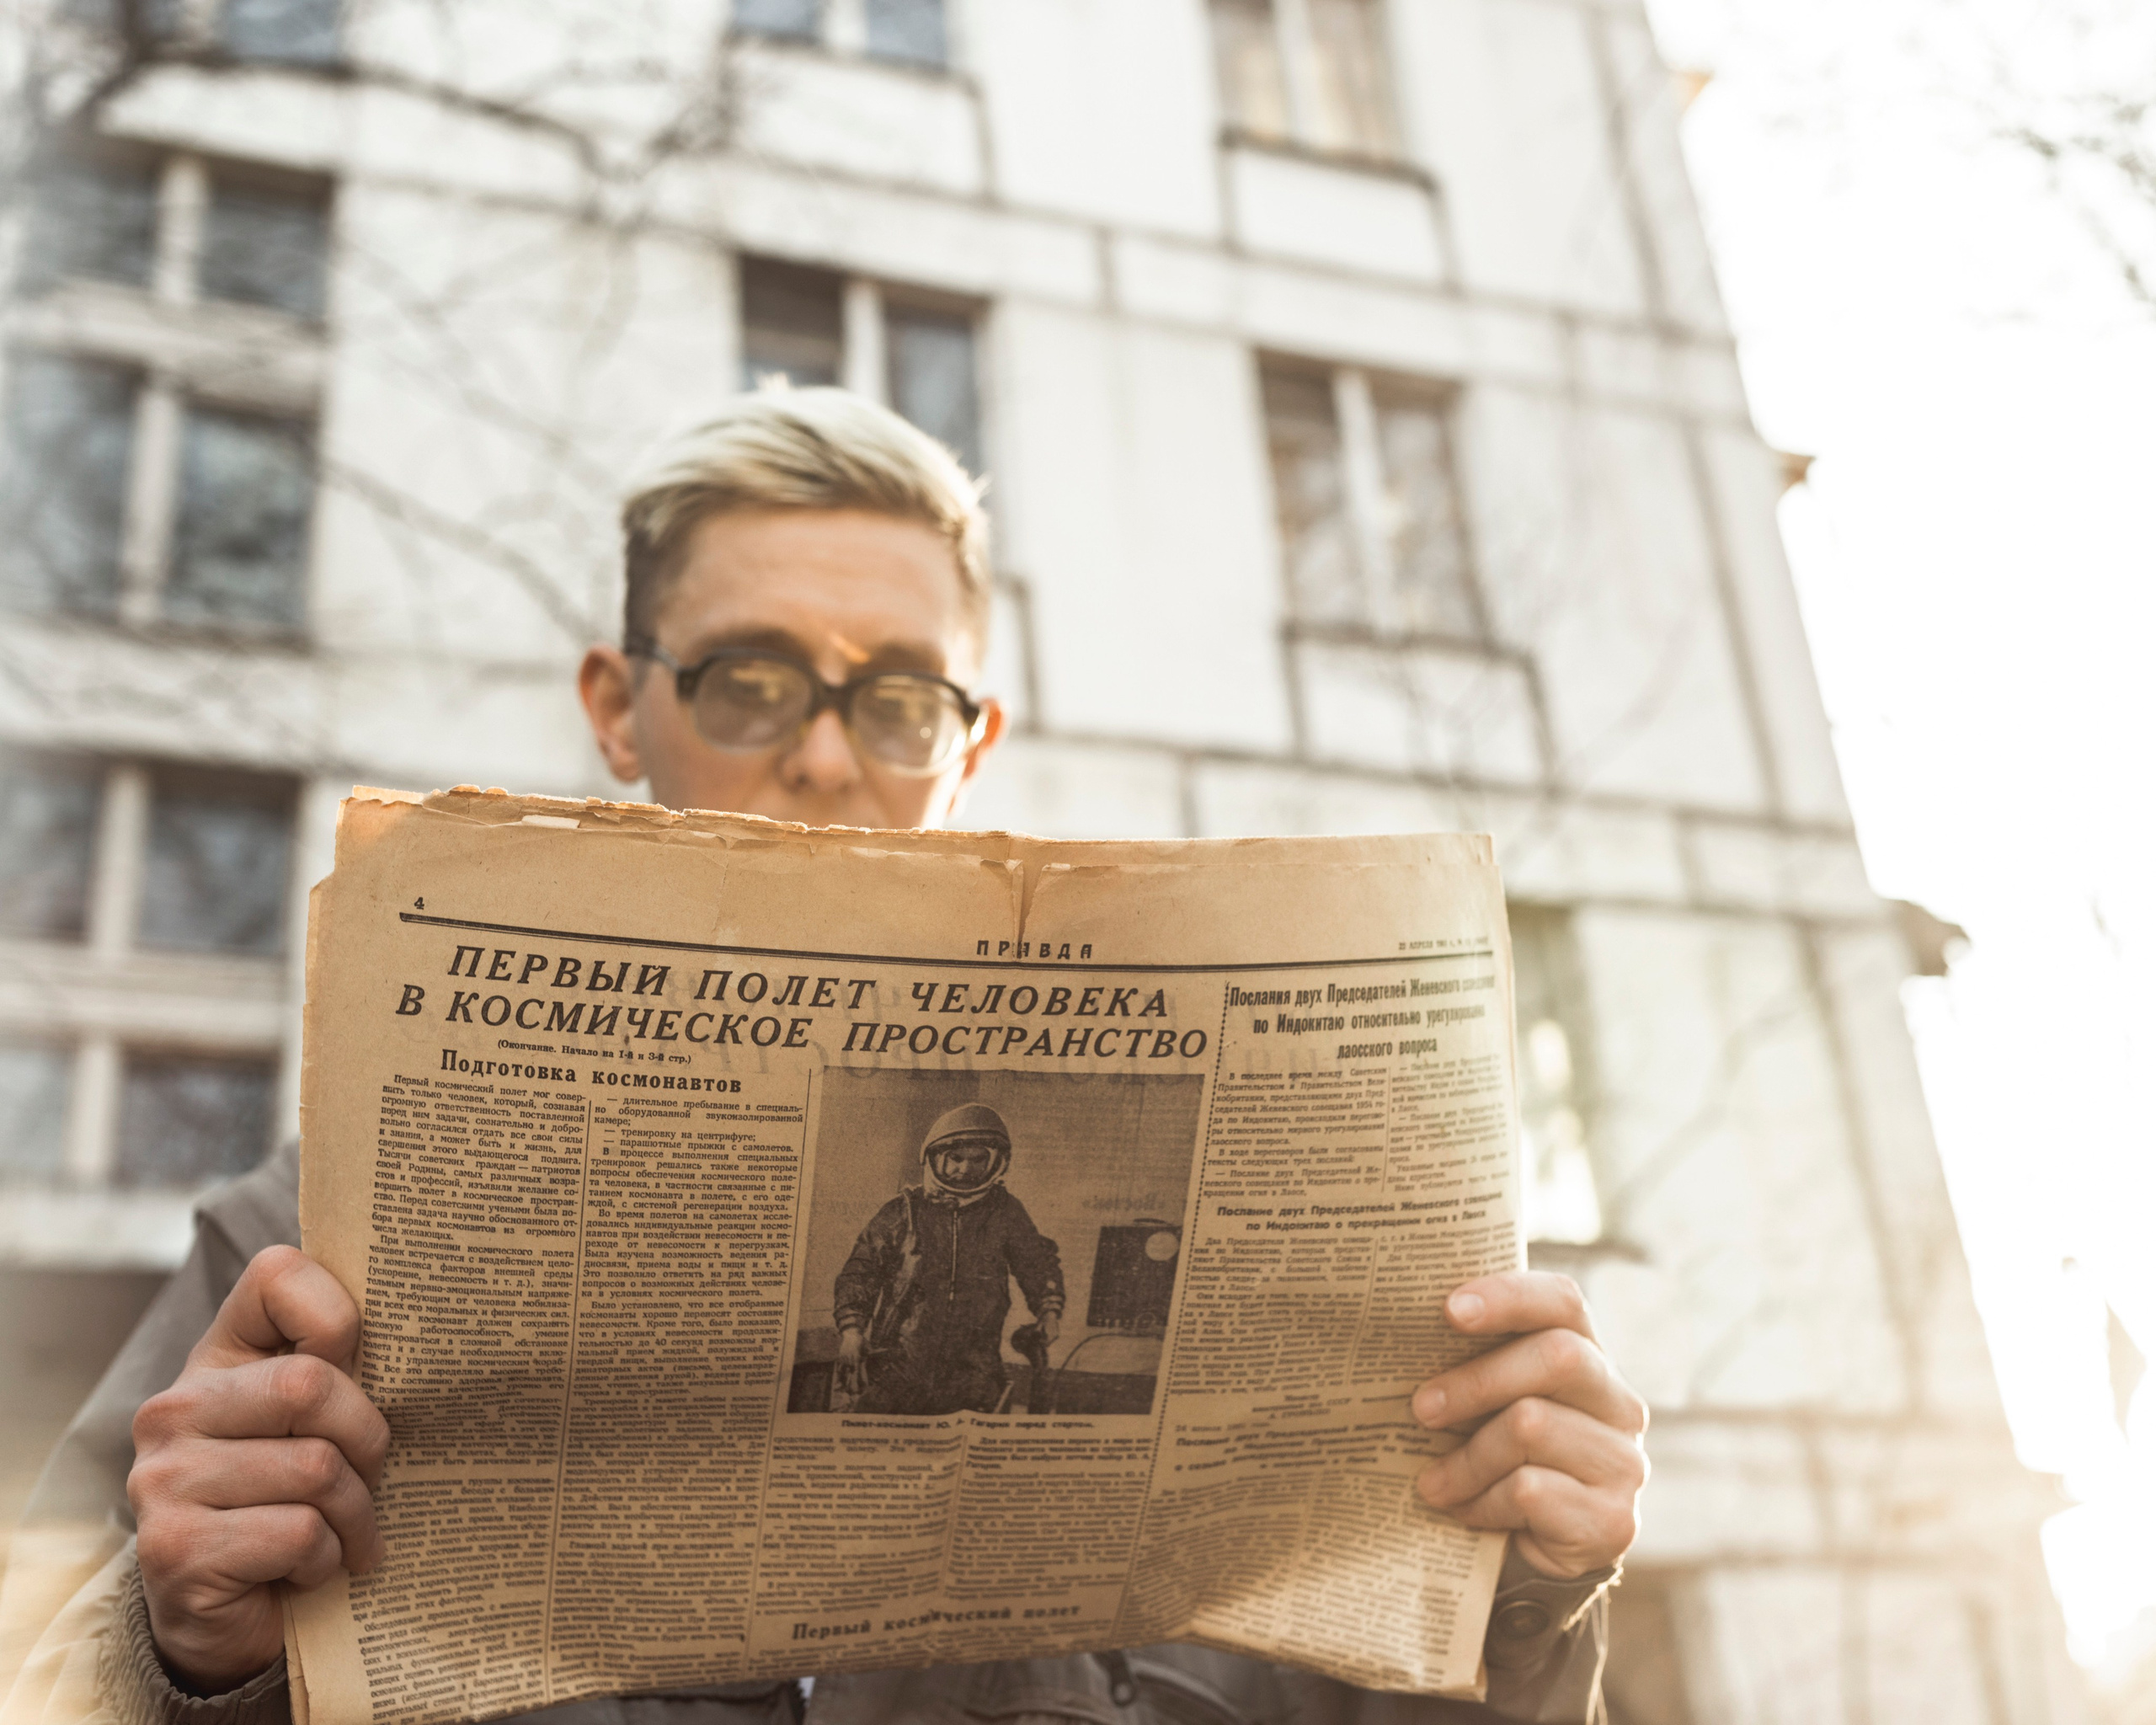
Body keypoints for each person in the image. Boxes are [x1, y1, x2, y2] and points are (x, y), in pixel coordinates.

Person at [0, 388, 1649, 1725]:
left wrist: (1517, 1599)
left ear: (968, 745)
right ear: (615, 706)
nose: (817, 756)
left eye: (897, 700)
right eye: (749, 679)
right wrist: (185, 1649)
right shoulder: (298, 1251)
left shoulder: (1257, 1235)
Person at [832, 1103, 1064, 1415]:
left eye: (978, 1159)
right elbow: (861, 1272)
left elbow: (1036, 1261)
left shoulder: (1005, 1211)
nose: (966, 1169)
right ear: (936, 1157)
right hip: (899, 1362)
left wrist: (1049, 1310)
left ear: (995, 1162)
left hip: (974, 1367)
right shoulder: (904, 1211)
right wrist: (851, 1330)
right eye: (956, 1158)